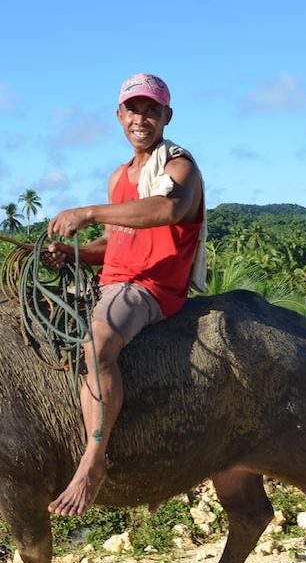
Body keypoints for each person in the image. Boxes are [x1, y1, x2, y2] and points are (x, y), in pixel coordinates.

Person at [44, 73, 206, 516]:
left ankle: (93, 462)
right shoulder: (120, 177)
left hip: (150, 287)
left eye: (152, 110)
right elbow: (115, 245)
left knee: (96, 344)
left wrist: (89, 211)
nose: (142, 118)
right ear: (119, 116)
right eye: (134, 109)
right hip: (113, 281)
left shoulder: (178, 167)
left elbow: (167, 209)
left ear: (166, 117)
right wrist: (74, 254)